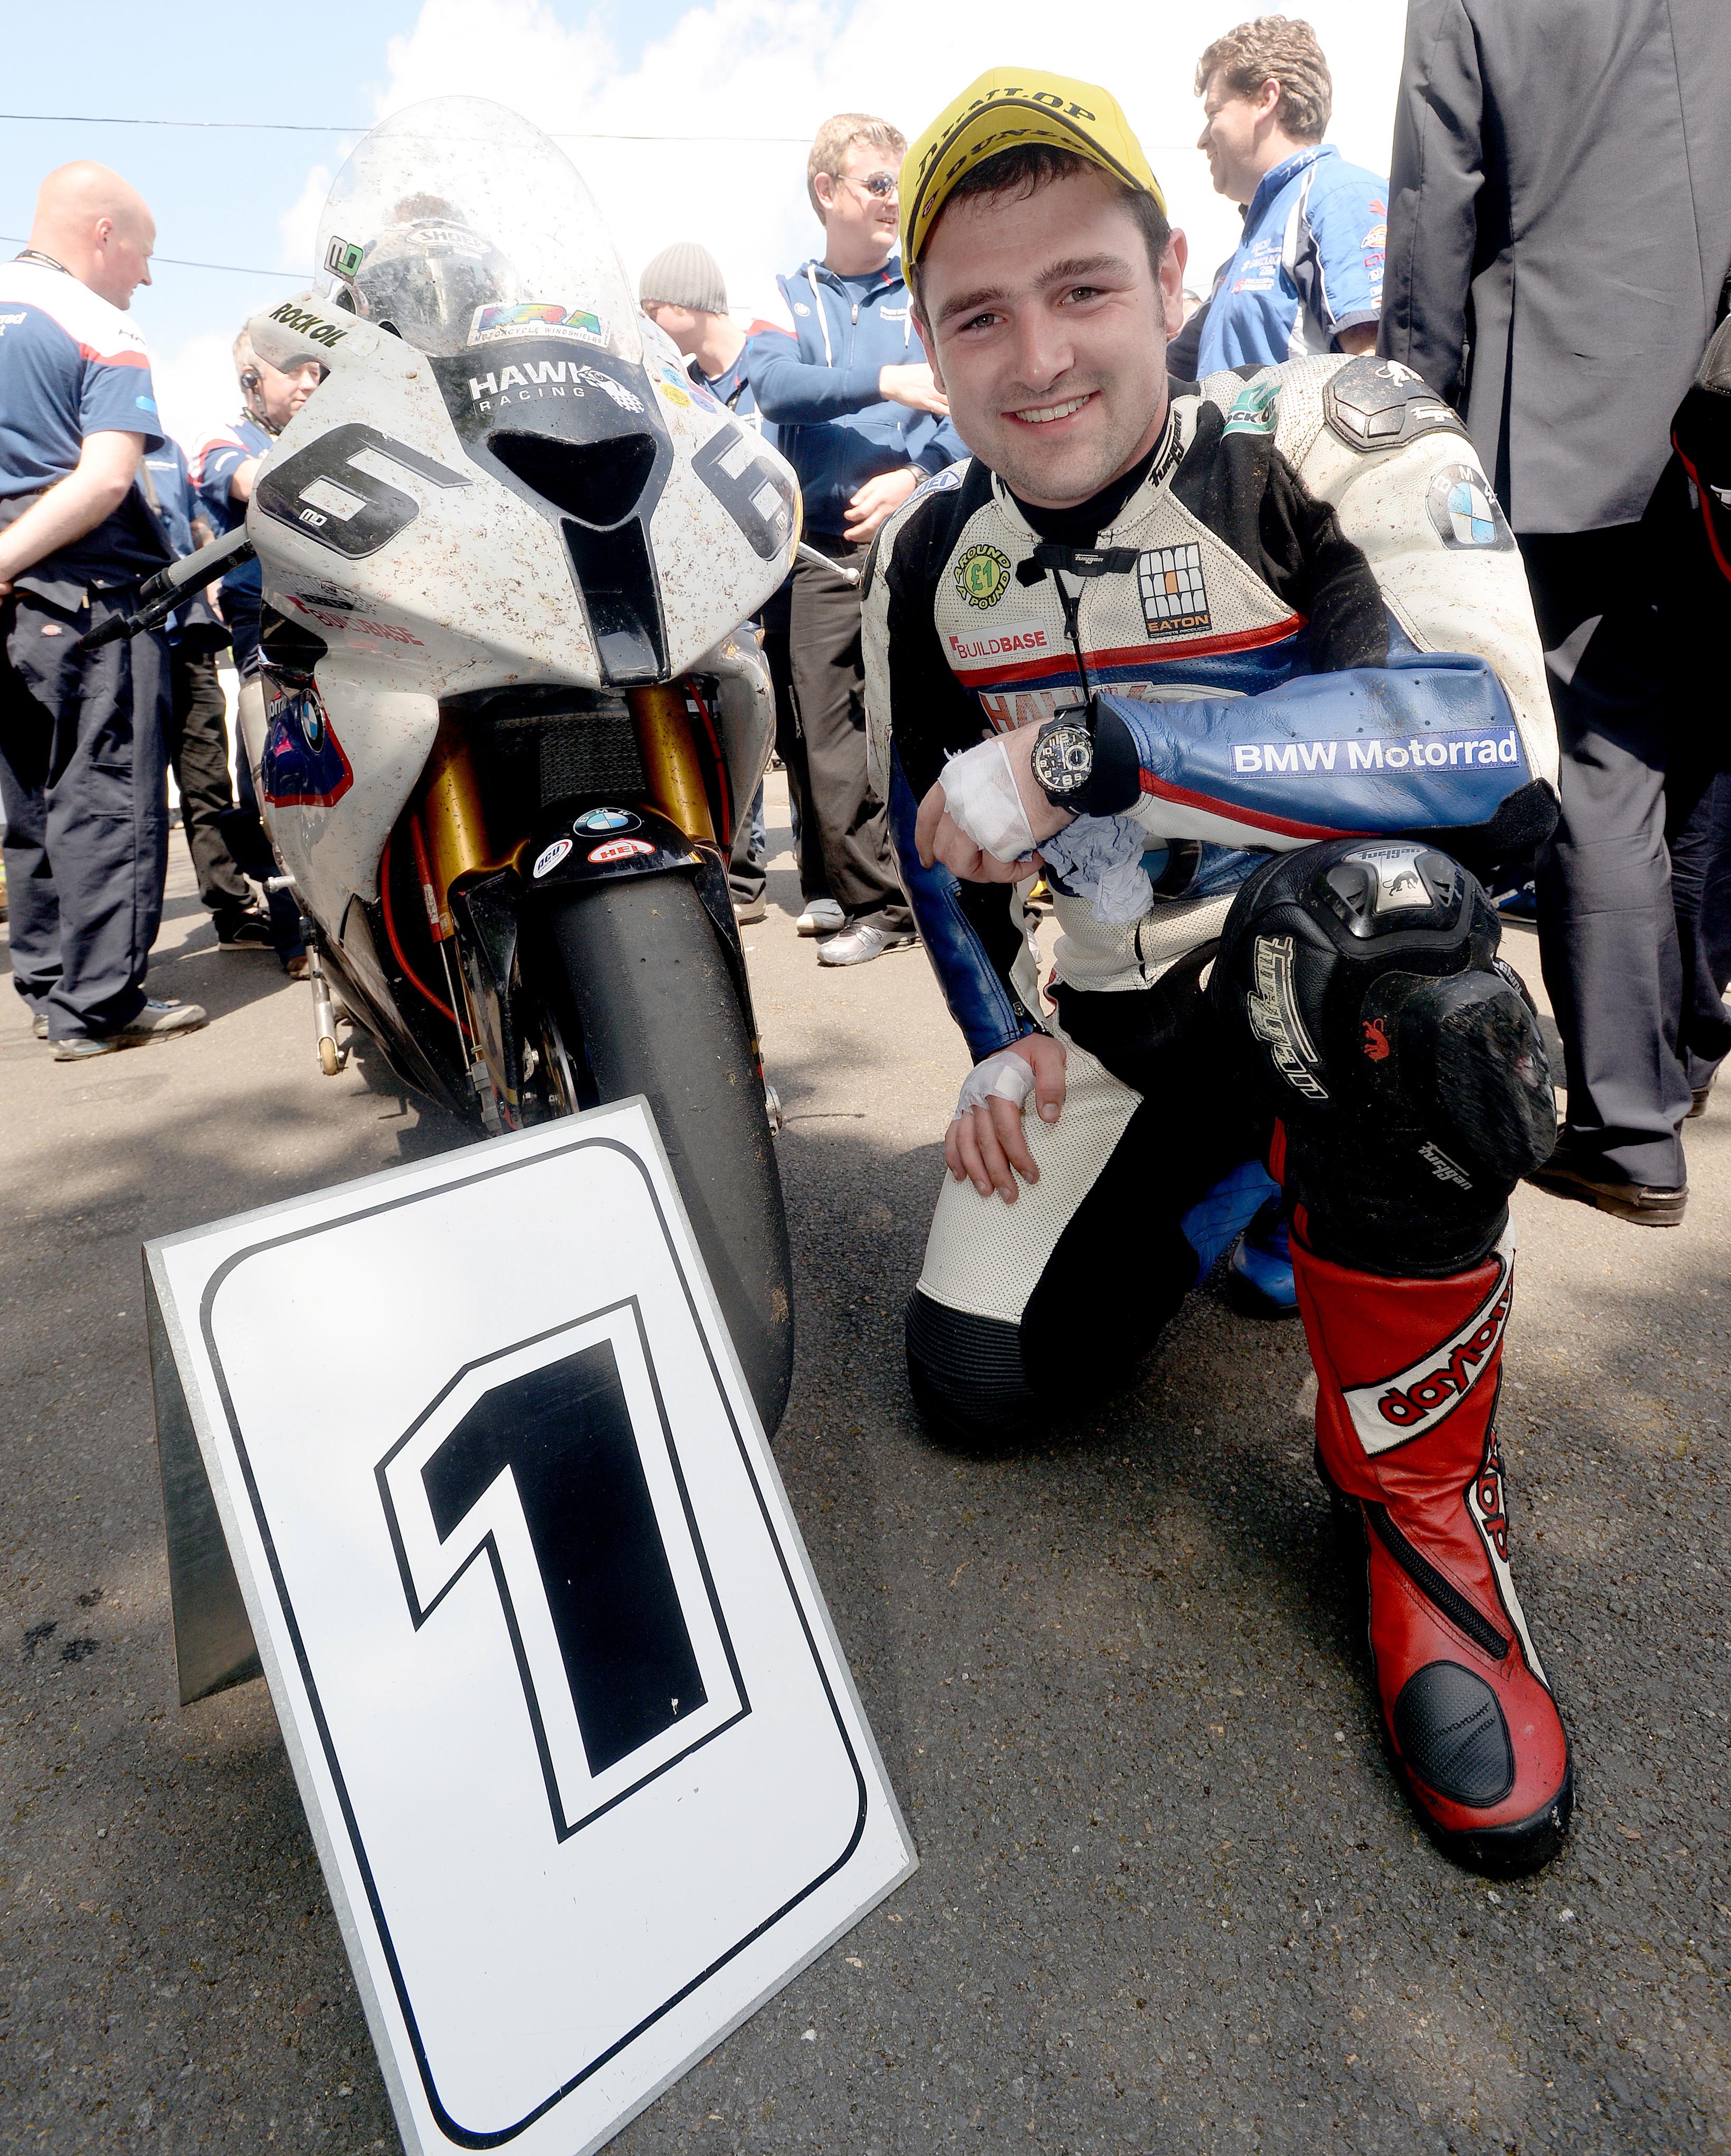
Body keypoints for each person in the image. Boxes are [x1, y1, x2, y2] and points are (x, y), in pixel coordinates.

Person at [866, 69, 1571, 1870]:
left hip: (1320, 976)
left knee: (1390, 923)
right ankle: (1268, 1184)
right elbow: (924, 829)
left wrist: (1097, 753)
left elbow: (1494, 757)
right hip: (1127, 1026)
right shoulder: (931, 552)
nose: (1038, 357)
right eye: (978, 315)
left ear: (1171, 276)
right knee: (981, 1382)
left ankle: (1423, 1518)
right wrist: (990, 1040)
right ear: (928, 346)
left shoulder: (1322, 429)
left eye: (1082, 287)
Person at [1380, 0, 1731, 1223]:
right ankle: (1675, 1053)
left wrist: (1410, 427)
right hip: (1706, 414)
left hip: (1561, 420)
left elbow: (1432, 210)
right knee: (1683, 757)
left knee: (1599, 773)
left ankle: (1628, 1128)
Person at [0, 162, 207, 1059]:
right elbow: (106, 478)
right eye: (144, 253)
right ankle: (99, 1008)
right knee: (105, 799)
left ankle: (51, 989)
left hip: (11, 607)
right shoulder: (100, 324)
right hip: (84, 598)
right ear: (102, 234)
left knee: (29, 802)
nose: (148, 276)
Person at [746, 113, 963, 965]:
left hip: (919, 537)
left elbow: (967, 399)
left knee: (929, 721)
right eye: (877, 184)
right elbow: (773, 386)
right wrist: (885, 381)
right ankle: (877, 904)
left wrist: (919, 476)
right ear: (825, 191)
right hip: (818, 553)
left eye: (901, 187)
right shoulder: (785, 293)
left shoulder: (927, 285)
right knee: (829, 735)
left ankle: (961, 890)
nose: (894, 201)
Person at [638, 241, 794, 928]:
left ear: (683, 305)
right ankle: (738, 872)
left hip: (797, 574)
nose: (644, 326)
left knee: (805, 734)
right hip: (720, 583)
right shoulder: (682, 386)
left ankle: (818, 875)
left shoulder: (774, 364)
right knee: (729, 717)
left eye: (651, 311)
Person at [191, 330, 324, 974]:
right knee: (274, 767)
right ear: (251, 380)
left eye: (316, 371)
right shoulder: (224, 439)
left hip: (341, 612)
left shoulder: (334, 430)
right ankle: (294, 934)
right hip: (264, 621)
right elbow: (251, 482)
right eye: (293, 371)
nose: (308, 383)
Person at [1177, 15, 1385, 378]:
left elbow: (1379, 380)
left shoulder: (1337, 197)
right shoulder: (1245, 252)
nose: (1203, 139)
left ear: (1266, 99)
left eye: (1214, 112)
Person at [141, 434, 271, 954]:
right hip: (128, 634)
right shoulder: (69, 444)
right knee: (133, 790)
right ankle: (122, 938)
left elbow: (196, 528)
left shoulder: (167, 451)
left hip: (187, 636)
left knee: (208, 779)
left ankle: (233, 909)